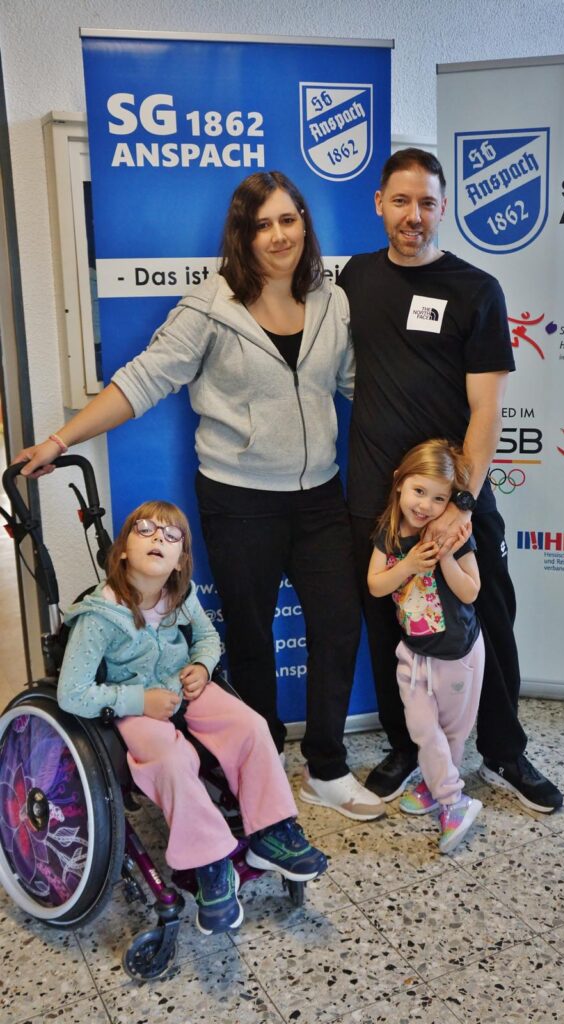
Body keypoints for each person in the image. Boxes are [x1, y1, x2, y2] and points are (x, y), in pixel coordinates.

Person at [16, 171, 384, 822]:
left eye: (289, 219)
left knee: (338, 623)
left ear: (305, 223)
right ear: (242, 235)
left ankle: (326, 767)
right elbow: (141, 381)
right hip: (239, 499)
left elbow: (362, 385)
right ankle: (257, 763)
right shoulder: (209, 307)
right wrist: (59, 440)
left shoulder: (332, 301)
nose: (279, 235)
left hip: (320, 495)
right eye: (262, 224)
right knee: (250, 633)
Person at [339, 148, 563, 813]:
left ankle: (504, 749)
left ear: (444, 207)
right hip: (378, 496)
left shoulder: (475, 290)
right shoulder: (356, 278)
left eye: (427, 203)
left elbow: (487, 409)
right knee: (390, 622)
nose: (413, 215)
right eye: (401, 201)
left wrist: (459, 502)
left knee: (487, 616)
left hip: (456, 494)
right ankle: (409, 748)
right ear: (379, 204)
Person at [57, 499, 327, 935]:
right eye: (146, 530)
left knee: (251, 726)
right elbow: (72, 693)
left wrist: (201, 666)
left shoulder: (180, 597)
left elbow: (207, 637)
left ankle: (271, 832)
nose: (158, 539)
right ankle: (209, 863)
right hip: (133, 705)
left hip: (185, 687)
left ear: (180, 561)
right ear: (121, 551)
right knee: (172, 758)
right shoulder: (100, 617)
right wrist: (138, 700)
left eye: (171, 536)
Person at [367, 441, 485, 852]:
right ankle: (454, 800)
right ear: (399, 483)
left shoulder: (453, 535)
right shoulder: (388, 533)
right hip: (414, 655)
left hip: (457, 655)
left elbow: (470, 592)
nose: (426, 506)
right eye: (419, 491)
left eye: (439, 498)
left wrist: (446, 557)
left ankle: (438, 787)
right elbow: (376, 585)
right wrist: (409, 565)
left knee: (451, 734)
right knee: (421, 728)